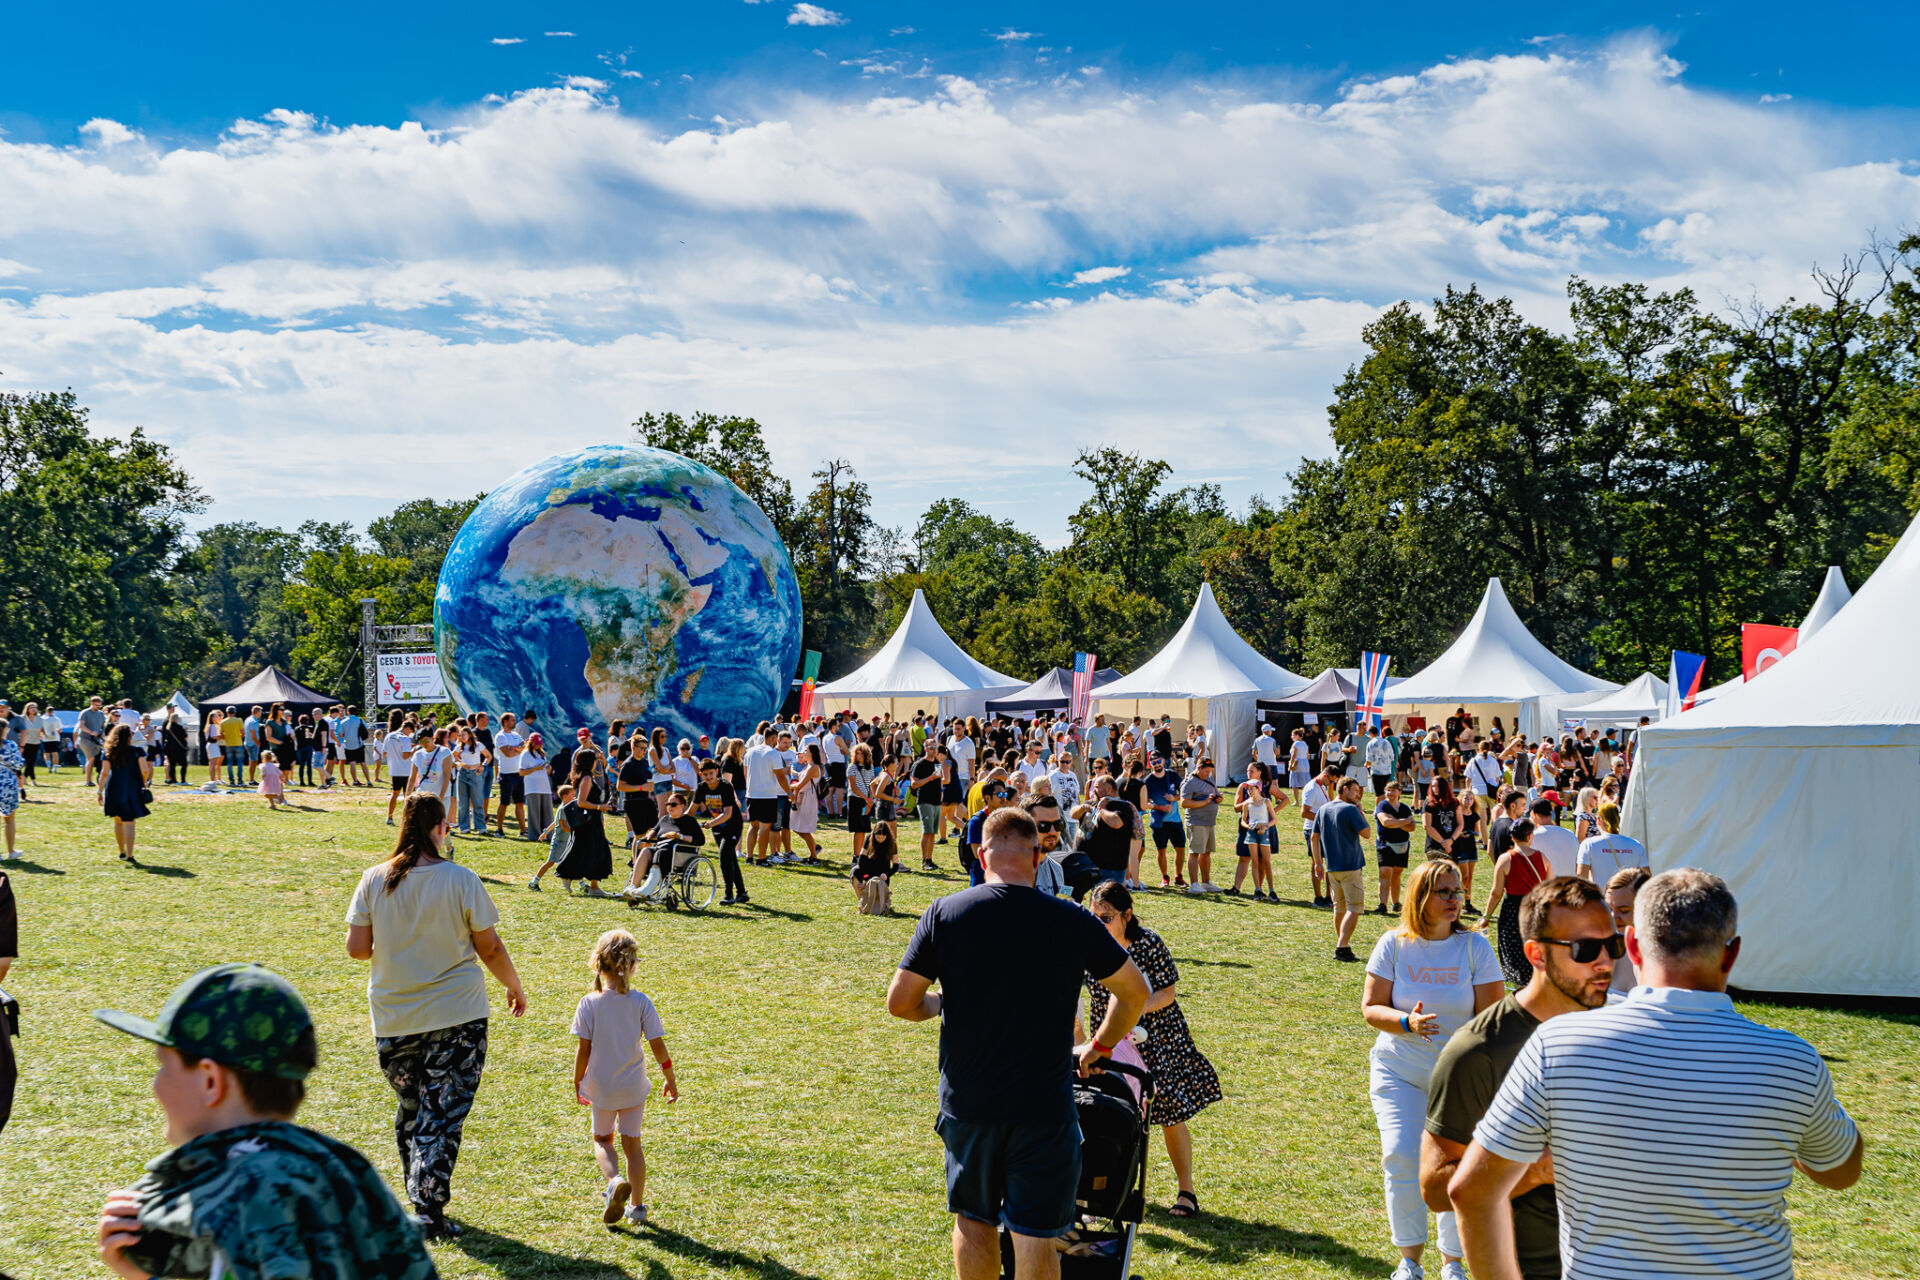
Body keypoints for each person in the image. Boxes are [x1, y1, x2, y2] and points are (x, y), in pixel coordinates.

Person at [1451, 870, 1864, 1280]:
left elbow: (1472, 1191)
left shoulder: (1555, 1044)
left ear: (1631, 945)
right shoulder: (1792, 1061)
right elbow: (1841, 1171)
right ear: (1732, 953)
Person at [886, 807, 1150, 1280]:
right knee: (1036, 1234)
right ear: (1037, 855)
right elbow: (1135, 992)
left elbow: (901, 1002)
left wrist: (940, 1003)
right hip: (1044, 1106)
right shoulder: (1070, 918)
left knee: (974, 1221)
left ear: (979, 853)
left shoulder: (946, 913)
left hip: (970, 1102)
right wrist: (1101, 1046)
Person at [91, 963, 437, 1280]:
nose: (155, 1085)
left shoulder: (249, 1193)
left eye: (164, 1065)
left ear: (210, 1080)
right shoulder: (338, 1167)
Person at [345, 794, 527, 1238]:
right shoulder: (461, 879)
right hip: (456, 1013)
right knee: (441, 1113)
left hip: (393, 1017)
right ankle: (427, 1208)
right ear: (441, 828)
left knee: (414, 1107)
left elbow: (356, 949)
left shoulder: (374, 879)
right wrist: (513, 985)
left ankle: (418, 1194)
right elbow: (490, 947)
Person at [1420, 877, 1617, 1280]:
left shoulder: (1624, 1028)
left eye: (1612, 946)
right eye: (1585, 949)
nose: (1605, 963)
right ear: (1536, 954)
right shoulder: (1478, 1051)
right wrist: (1538, 1169)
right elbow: (1435, 1189)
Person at [1361, 859, 1503, 1280]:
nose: (1454, 900)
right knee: (1402, 1156)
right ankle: (1409, 1261)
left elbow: (1493, 1016)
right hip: (1399, 1071)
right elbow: (1371, 1008)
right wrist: (1408, 1023)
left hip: (1460, 1080)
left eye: (1457, 891)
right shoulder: (1393, 944)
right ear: (1419, 896)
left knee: (1455, 1167)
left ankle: (1452, 1263)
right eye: (1444, 892)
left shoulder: (1475, 946)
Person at [1084, 881, 1222, 1220]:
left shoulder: (1147, 943)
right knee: (1111, 1113)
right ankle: (1107, 1192)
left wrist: (1133, 1011)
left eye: (1106, 917)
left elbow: (1167, 994)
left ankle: (1186, 1192)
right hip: (1110, 1039)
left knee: (1169, 1113)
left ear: (1127, 915)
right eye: (1094, 917)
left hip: (1158, 1039)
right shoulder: (1090, 945)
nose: (1099, 924)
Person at [572, 929, 678, 1226]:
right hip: (633, 1087)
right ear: (631, 966)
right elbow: (657, 1045)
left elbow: (584, 1050)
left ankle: (614, 1181)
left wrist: (578, 1081)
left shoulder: (588, 1003)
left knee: (603, 1139)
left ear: (598, 963)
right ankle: (638, 1207)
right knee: (633, 1145)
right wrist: (669, 1077)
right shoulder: (641, 1001)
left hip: (602, 1086)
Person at [1477, 820, 1552, 987]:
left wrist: (1487, 916)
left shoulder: (1505, 859)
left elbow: (1496, 892)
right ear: (1530, 836)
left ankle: (1518, 983)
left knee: (1513, 949)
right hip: (1535, 907)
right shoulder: (1542, 857)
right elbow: (1550, 888)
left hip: (1513, 909)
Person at [1316, 777, 1374, 962]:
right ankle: (1342, 947)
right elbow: (1367, 833)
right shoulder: (1350, 809)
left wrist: (1318, 863)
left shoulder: (1323, 808)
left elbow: (1314, 837)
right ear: (1345, 789)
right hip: (1350, 866)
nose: (1358, 794)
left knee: (1339, 908)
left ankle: (1342, 944)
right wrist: (1360, 811)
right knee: (1354, 908)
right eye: (1356, 790)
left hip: (1332, 868)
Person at [556, 749, 616, 897]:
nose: (596, 762)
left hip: (592, 819)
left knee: (594, 850)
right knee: (589, 849)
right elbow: (581, 802)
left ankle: (594, 887)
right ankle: (566, 873)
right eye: (595, 759)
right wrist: (599, 807)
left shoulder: (585, 776)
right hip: (589, 820)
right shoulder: (587, 778)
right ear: (590, 761)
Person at [623, 791, 704, 899]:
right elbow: (653, 832)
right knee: (646, 851)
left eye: (673, 804)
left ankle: (647, 889)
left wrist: (678, 836)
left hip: (678, 852)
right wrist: (647, 837)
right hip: (661, 849)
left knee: (661, 852)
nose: (670, 807)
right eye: (667, 804)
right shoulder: (664, 819)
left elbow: (700, 840)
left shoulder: (690, 821)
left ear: (682, 806)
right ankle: (633, 887)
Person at [691, 757, 746, 906]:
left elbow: (728, 813)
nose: (709, 777)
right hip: (717, 827)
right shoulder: (701, 788)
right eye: (705, 774)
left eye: (711, 773)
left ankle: (729, 894)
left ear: (716, 772)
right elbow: (691, 811)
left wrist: (710, 823)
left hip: (733, 825)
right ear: (701, 774)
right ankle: (741, 892)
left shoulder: (725, 786)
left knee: (724, 857)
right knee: (731, 859)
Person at [99, 723, 152, 860]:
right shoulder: (137, 751)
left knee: (118, 820)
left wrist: (99, 791)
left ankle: (121, 851)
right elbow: (145, 770)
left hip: (113, 787)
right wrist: (145, 782)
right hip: (131, 787)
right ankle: (130, 854)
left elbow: (104, 773)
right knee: (129, 821)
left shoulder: (109, 752)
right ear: (129, 736)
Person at [1601, 866, 1651, 996]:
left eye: (1624, 910)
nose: (1613, 916)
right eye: (1608, 909)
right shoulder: (1598, 948)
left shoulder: (1664, 952)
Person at [742, 733, 790, 868]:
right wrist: (790, 792)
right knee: (765, 827)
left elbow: (746, 773)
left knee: (753, 826)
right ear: (774, 738)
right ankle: (761, 859)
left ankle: (749, 857)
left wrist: (750, 788)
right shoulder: (773, 753)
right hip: (767, 795)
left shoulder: (750, 752)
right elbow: (780, 776)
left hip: (751, 794)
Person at [1575, 802, 1647, 886]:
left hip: (1601, 896)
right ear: (1619, 820)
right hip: (1630, 897)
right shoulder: (1635, 844)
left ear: (1598, 820)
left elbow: (1581, 878)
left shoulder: (1588, 844)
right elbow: (1647, 878)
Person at [1179, 757, 1223, 894]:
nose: (1208, 774)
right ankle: (1194, 884)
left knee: (1206, 852)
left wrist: (1218, 799)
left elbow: (1213, 795)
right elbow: (1184, 803)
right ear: (1198, 768)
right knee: (1195, 852)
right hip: (1196, 822)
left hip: (1209, 822)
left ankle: (1206, 882)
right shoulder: (1189, 782)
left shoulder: (1209, 779)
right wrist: (1204, 803)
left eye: (1209, 771)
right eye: (1205, 771)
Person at [1143, 754, 1187, 888]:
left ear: (1163, 761)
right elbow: (1146, 802)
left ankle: (1178, 877)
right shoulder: (1148, 780)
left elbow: (1185, 792)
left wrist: (1174, 798)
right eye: (1153, 762)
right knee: (1161, 850)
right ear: (1150, 764)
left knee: (1180, 848)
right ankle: (1165, 877)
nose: (1157, 765)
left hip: (1175, 820)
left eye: (1158, 761)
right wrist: (1160, 807)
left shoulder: (1172, 775)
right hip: (1158, 821)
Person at [1374, 781, 1416, 915]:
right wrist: (1404, 821)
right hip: (1385, 844)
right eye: (1388, 790)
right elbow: (1385, 822)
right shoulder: (1382, 805)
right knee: (1385, 872)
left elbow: (1412, 827)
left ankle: (1396, 903)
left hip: (1402, 845)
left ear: (1399, 792)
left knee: (1397, 873)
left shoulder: (1404, 807)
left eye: (1393, 790)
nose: (1390, 793)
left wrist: (1395, 822)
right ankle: (1382, 904)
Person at [528, 782, 576, 892]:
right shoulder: (563, 809)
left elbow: (555, 822)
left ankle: (582, 885)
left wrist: (545, 832)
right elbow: (563, 827)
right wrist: (576, 831)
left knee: (572, 861)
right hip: (559, 842)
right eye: (572, 795)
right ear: (565, 796)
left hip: (566, 841)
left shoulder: (568, 808)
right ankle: (533, 882)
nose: (575, 797)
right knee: (550, 862)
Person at [1300, 766, 1332, 907]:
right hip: (1312, 829)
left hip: (1325, 829)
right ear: (1325, 775)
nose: (1331, 784)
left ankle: (1329, 896)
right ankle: (1318, 897)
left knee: (1330, 862)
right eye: (1331, 781)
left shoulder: (1322, 786)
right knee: (1316, 862)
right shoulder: (1312, 788)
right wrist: (1323, 820)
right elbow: (1304, 813)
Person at [1523, 798, 1577, 879]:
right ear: (1551, 814)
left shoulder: (1532, 837)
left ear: (1533, 814)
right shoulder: (1570, 834)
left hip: (1548, 888)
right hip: (1570, 886)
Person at [852, 820, 898, 915]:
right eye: (878, 837)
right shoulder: (869, 839)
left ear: (887, 836)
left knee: (876, 886)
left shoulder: (892, 843)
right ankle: (863, 903)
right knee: (855, 872)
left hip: (882, 874)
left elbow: (896, 866)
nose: (880, 839)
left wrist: (887, 874)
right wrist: (866, 879)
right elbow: (861, 860)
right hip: (867, 871)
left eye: (883, 837)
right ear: (874, 834)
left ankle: (879, 905)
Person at [789, 743, 824, 864]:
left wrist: (786, 787)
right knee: (795, 825)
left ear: (812, 753)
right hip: (802, 797)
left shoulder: (813, 767)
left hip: (808, 797)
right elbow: (800, 777)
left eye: (806, 750)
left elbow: (800, 784)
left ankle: (814, 857)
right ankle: (815, 848)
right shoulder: (808, 766)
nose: (803, 752)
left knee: (803, 827)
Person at [0, 732, 22, 859]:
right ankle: (11, 851)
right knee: (9, 820)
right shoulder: (10, 745)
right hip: (8, 784)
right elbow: (18, 764)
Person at [78, 694, 109, 785]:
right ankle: (88, 781)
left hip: (97, 740)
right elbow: (81, 726)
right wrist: (91, 732)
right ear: (91, 703)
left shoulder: (100, 714)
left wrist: (103, 733)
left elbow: (103, 726)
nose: (98, 707)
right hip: (85, 739)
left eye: (99, 705)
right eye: (96, 705)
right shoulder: (85, 713)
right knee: (91, 759)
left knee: (100, 759)